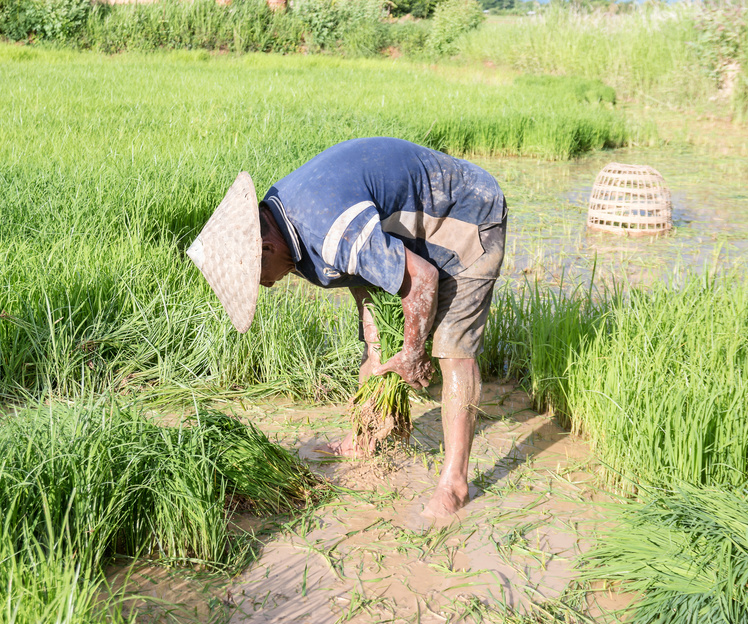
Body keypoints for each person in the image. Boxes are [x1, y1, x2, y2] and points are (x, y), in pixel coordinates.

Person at [186, 137, 507, 518]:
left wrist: (412, 353)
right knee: (374, 350)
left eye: (258, 278)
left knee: (453, 351)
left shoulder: (326, 227)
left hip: (465, 213)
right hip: (409, 228)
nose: (267, 285)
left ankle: (454, 484)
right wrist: (375, 344)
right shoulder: (282, 216)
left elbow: (420, 280)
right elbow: (356, 271)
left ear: (266, 250)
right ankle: (364, 441)